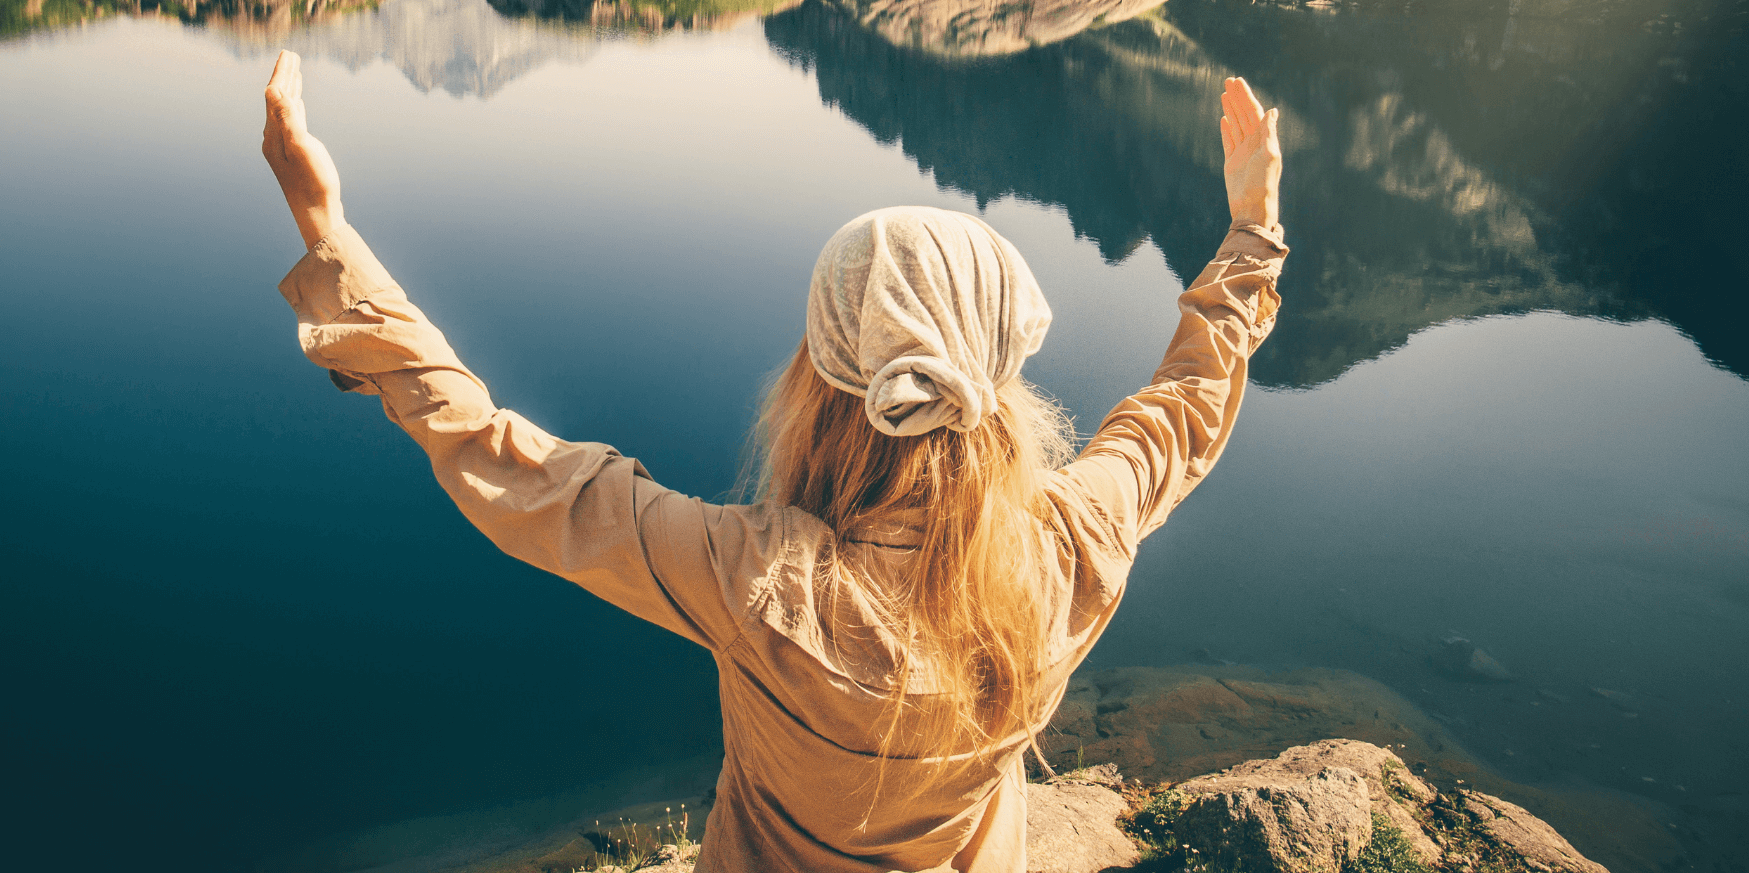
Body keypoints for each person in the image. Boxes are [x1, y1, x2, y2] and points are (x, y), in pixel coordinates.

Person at [261, 50, 1286, 873]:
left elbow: (499, 458)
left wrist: (326, 228)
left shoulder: (753, 577)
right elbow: (1183, 405)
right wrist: (1251, 225)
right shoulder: (1070, 541)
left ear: (823, 381)